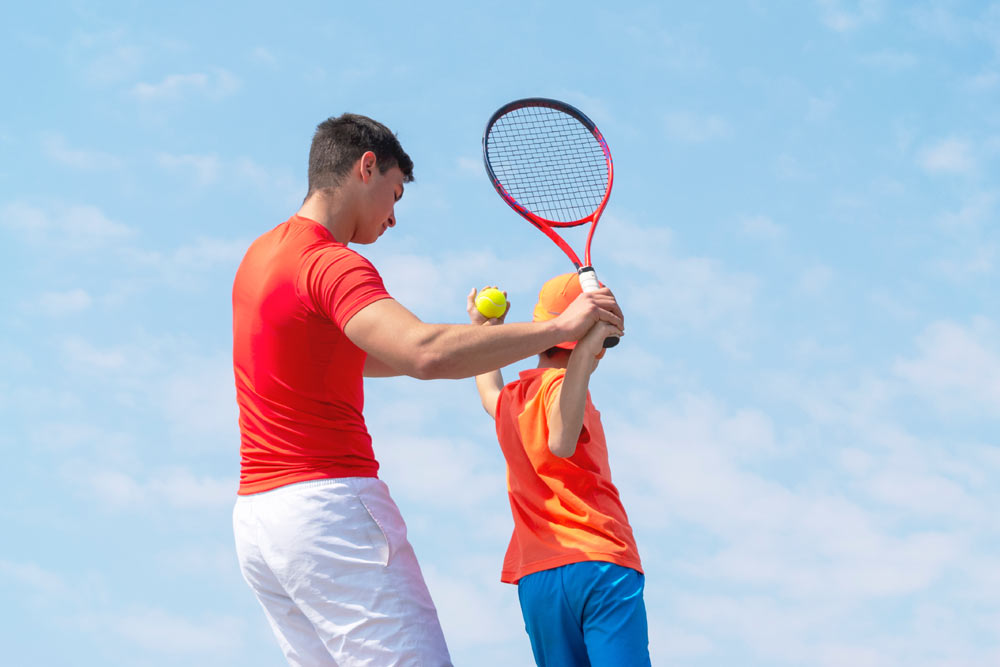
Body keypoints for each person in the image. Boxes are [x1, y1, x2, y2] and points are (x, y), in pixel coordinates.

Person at [230, 113, 624, 667]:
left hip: (261, 526)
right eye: (394, 195)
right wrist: (560, 328)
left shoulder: (260, 255)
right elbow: (422, 352)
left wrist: (486, 340)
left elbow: (366, 356)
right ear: (366, 166)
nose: (392, 219)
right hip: (331, 511)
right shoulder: (330, 263)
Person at [468, 274, 649, 667]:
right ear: (597, 344)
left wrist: (484, 331)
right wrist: (583, 359)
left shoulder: (513, 400)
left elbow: (488, 391)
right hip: (600, 563)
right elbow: (561, 440)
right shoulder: (566, 390)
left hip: (539, 579)